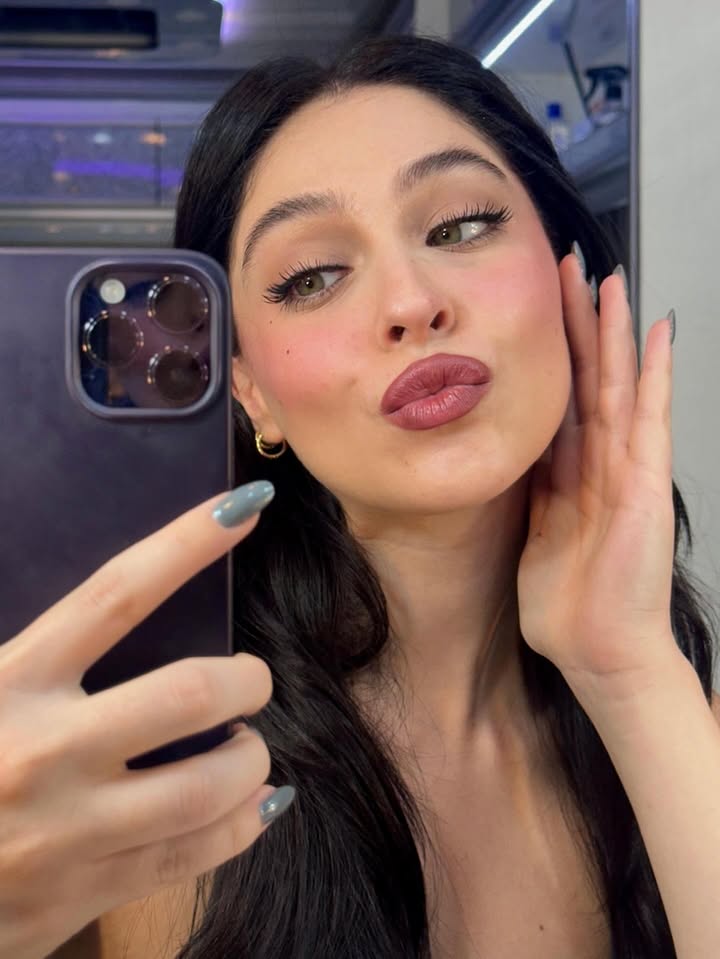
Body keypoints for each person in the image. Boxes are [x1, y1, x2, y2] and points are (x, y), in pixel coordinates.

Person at [3, 34, 719, 959]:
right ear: (250, 391)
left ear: (564, 271)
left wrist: (628, 669)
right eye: (311, 278)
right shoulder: (169, 766)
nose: (410, 302)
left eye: (460, 225)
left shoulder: (670, 708)